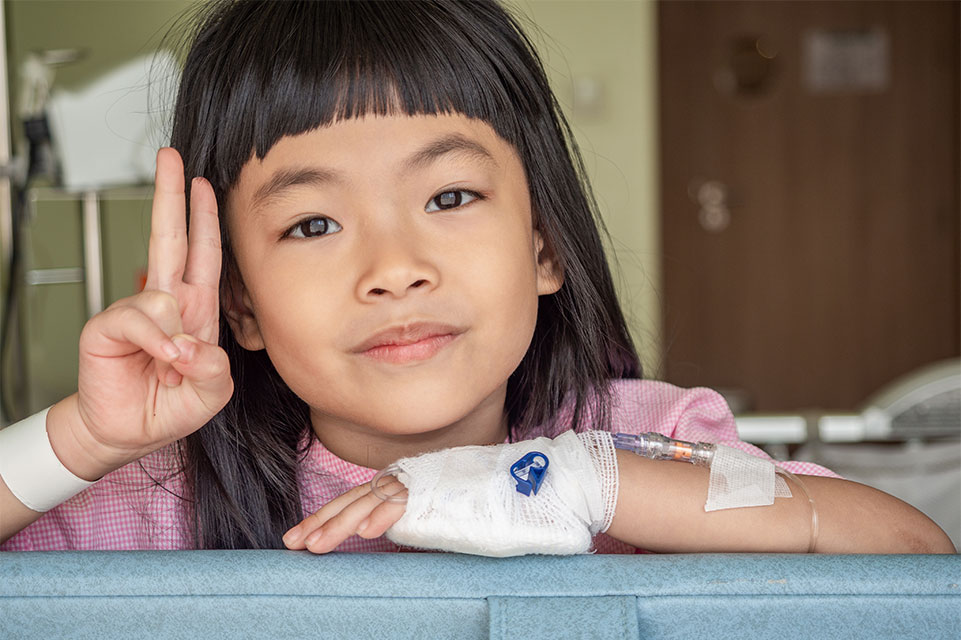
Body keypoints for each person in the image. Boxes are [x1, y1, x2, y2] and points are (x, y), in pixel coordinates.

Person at [0, 0, 953, 555]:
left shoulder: (642, 441)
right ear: (240, 306)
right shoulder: (163, 496)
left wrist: (575, 483)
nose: (395, 269)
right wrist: (81, 437)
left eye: (449, 198)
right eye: (313, 222)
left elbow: (915, 552)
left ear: (543, 245)